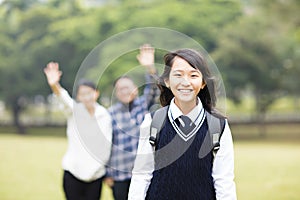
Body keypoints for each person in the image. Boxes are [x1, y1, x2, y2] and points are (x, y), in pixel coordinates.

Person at [128, 49, 237, 199]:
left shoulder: (218, 126)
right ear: (167, 81)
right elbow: (141, 175)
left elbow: (223, 181)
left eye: (193, 75)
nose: (185, 82)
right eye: (178, 75)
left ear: (203, 82)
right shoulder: (153, 122)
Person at [44, 62, 112, 200]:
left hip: (96, 176)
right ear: (79, 97)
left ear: (96, 93)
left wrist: (101, 171)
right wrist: (54, 85)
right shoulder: (74, 111)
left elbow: (106, 146)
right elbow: (63, 98)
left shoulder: (104, 115)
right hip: (73, 172)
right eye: (82, 94)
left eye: (89, 93)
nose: (86, 97)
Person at [105, 44, 159, 200]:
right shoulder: (111, 113)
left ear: (135, 88)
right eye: (120, 89)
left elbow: (155, 88)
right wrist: (107, 173)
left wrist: (150, 68)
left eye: (127, 87)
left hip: (144, 173)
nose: (124, 91)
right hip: (119, 174)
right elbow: (107, 144)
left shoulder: (144, 105)